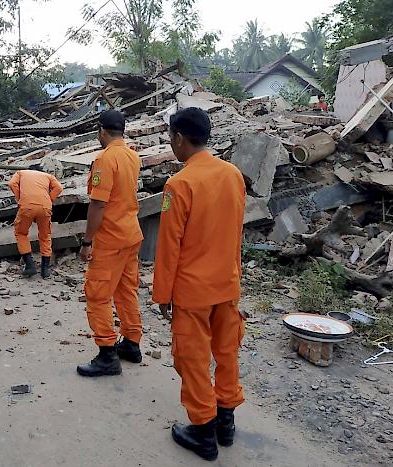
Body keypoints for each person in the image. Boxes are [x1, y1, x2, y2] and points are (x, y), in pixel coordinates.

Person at [152, 108, 246, 461]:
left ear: (179, 138)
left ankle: (203, 432)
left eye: (170, 138)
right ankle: (226, 422)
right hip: (227, 284)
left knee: (192, 359)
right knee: (226, 353)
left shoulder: (179, 185)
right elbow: (236, 232)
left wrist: (162, 294)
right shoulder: (233, 175)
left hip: (193, 291)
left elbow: (169, 245)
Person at [76, 110, 144, 377]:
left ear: (101, 131)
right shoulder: (132, 155)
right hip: (131, 234)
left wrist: (87, 241)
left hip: (111, 239)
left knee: (98, 295)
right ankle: (132, 343)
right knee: (126, 290)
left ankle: (107, 354)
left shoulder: (104, 160)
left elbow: (98, 203)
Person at [9, 167, 63, 278]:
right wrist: (50, 199)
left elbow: (12, 183)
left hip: (27, 206)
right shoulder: (48, 176)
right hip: (45, 207)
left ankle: (29, 266)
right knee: (45, 235)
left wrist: (20, 198)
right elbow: (59, 187)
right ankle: (45, 270)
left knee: (21, 233)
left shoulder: (21, 172)